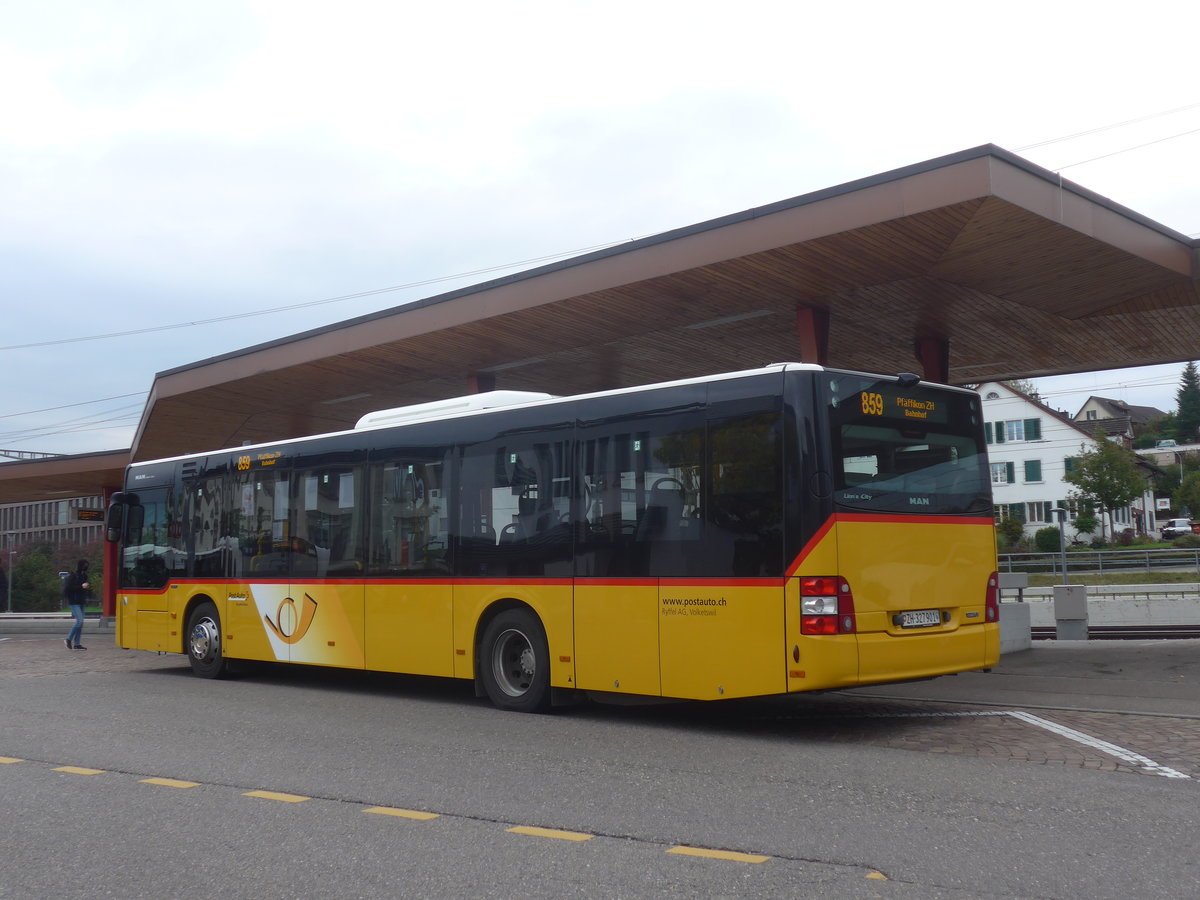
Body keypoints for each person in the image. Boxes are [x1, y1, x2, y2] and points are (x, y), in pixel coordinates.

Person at [63, 559, 90, 651]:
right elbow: (70, 588)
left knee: (81, 623)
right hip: (74, 602)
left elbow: (83, 589)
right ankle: (68, 639)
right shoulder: (73, 576)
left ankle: (77, 644)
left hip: (81, 601)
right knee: (79, 621)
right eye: (84, 565)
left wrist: (86, 588)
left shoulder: (84, 576)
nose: (86, 567)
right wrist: (81, 587)